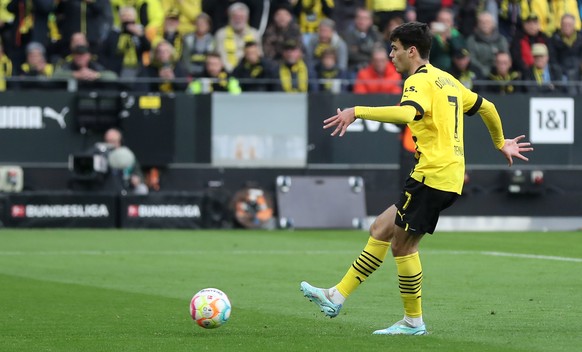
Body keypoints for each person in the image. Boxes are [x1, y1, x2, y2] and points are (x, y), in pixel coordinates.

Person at [300, 21, 533, 336]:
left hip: (432, 175)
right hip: (446, 175)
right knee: (381, 228)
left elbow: (408, 113)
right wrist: (499, 142)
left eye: (394, 49)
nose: (390, 55)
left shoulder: (418, 81)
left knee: (403, 248)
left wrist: (357, 110)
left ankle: (413, 322)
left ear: (412, 51)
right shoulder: (447, 80)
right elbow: (487, 107)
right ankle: (336, 295)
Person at [103, 128, 149, 195]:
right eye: (108, 141)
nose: (111, 144)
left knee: (142, 189)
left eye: (113, 141)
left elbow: (138, 172)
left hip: (127, 188)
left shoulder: (126, 154)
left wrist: (136, 178)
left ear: (119, 141)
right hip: (108, 189)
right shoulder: (101, 155)